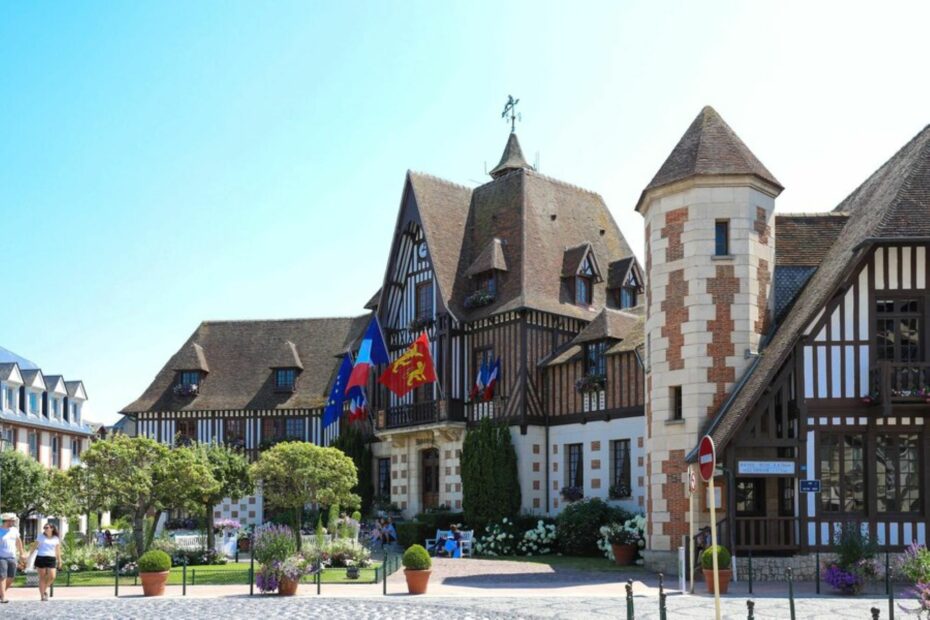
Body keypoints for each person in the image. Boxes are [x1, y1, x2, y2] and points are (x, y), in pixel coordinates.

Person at [33, 523, 62, 602]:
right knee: (42, 577)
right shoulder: (40, 537)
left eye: (47, 527)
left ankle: (45, 589)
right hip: (41, 557)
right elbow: (34, 547)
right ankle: (42, 595)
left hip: (51, 558)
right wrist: (28, 556)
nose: (45, 529)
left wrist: (59, 560)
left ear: (52, 528)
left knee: (52, 576)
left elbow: (58, 550)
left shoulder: (56, 538)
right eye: (44, 528)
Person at [0, 513, 25, 604]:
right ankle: (3, 597)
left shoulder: (14, 530)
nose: (13, 522)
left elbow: (18, 541)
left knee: (11, 577)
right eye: (12, 520)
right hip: (1, 557)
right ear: (6, 521)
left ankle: (1, 593)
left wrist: (22, 553)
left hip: (12, 557)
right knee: (2, 577)